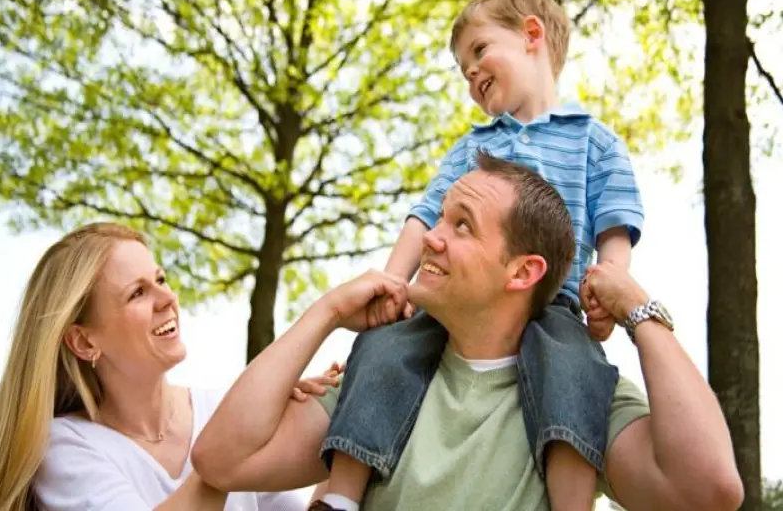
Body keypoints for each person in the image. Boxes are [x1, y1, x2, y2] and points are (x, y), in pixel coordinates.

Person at [192, 155, 743, 511]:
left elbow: (711, 489)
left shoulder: (579, 393)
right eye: (439, 219)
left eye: (461, 225)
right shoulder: (385, 379)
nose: (431, 238)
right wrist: (327, 313)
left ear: (522, 272)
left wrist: (637, 309)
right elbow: (221, 459)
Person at [314, 0, 645, 510]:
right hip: (459, 303)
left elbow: (615, 224)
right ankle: (341, 496)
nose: (471, 74)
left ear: (531, 35)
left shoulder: (593, 140)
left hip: (553, 301)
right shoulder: (474, 146)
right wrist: (396, 284)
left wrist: (607, 289)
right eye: (463, 70)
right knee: (381, 351)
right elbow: (425, 216)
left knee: (576, 373)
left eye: (479, 51)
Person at [0, 223, 306, 511]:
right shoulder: (65, 447)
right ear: (84, 342)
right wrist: (230, 448)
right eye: (137, 293)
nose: (167, 297)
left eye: (161, 279)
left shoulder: (220, 409)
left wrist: (342, 407)